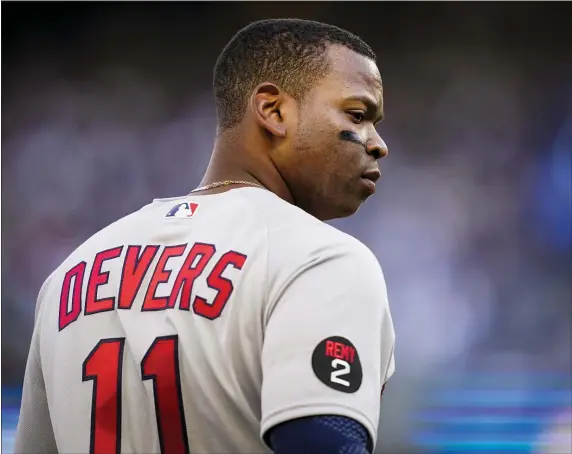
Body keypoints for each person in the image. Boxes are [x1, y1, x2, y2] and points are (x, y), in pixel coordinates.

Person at [15, 18, 395, 454]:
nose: (378, 143)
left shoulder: (69, 276)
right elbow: (324, 443)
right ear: (274, 112)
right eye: (358, 115)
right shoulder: (320, 259)